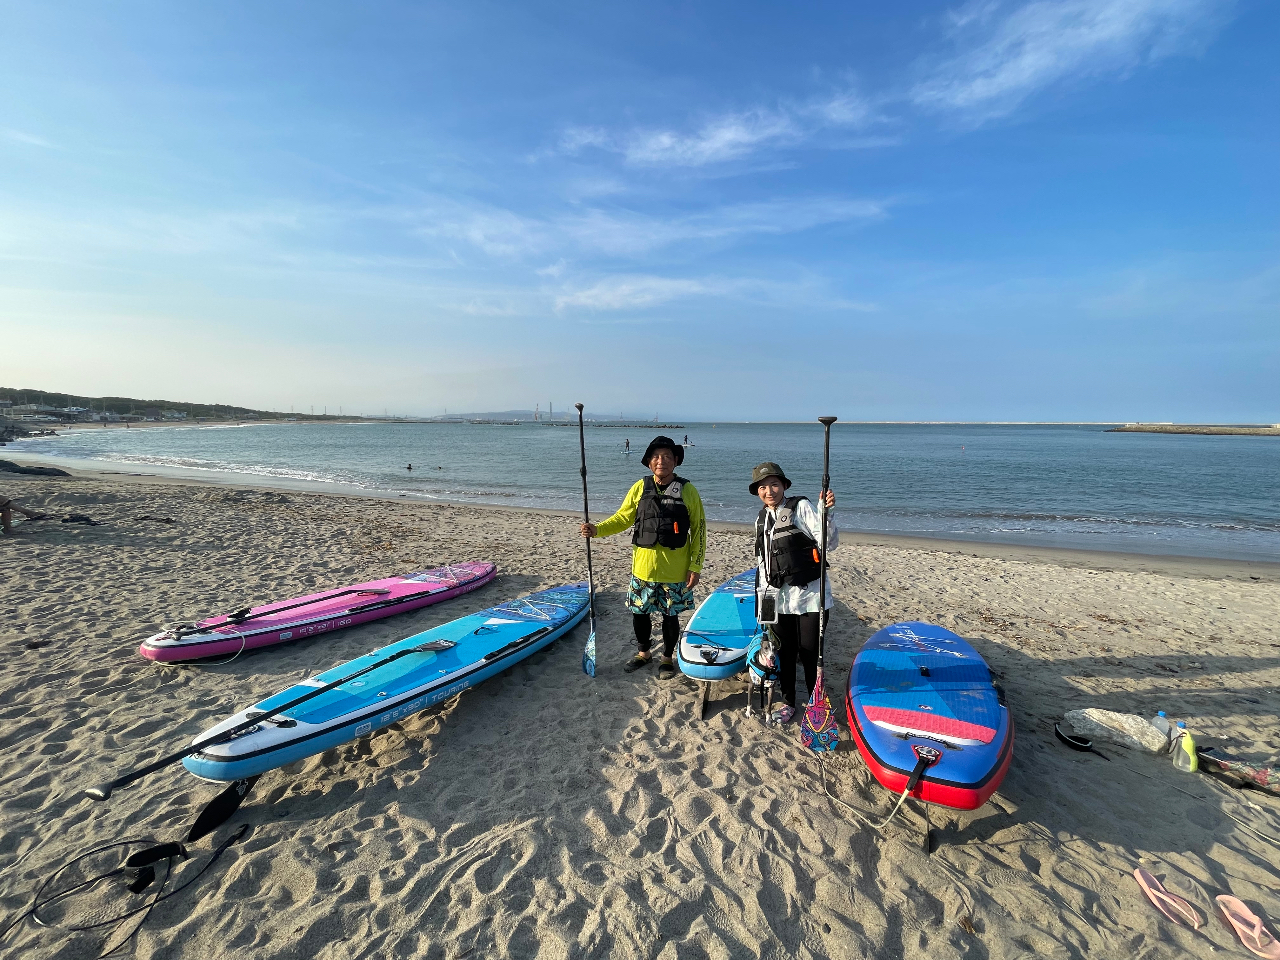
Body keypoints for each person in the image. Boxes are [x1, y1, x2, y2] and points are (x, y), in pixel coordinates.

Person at [581, 436, 705, 680]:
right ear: (649, 463)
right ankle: (644, 653)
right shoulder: (640, 487)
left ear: (676, 461)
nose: (662, 461)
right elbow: (622, 518)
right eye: (656, 457)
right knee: (640, 615)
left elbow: (699, 530)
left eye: (668, 457)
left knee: (670, 617)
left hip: (676, 571)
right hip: (642, 570)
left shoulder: (688, 491)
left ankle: (667, 658)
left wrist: (695, 566)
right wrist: (597, 530)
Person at [749, 462, 838, 724]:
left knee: (810, 652)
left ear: (785, 486)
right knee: (784, 653)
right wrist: (763, 603)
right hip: (780, 600)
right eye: (763, 487)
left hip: (811, 597)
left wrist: (826, 514)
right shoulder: (761, 518)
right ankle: (788, 701)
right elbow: (763, 563)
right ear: (757, 492)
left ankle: (815, 703)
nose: (769, 491)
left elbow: (829, 542)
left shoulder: (801, 507)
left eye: (774, 484)